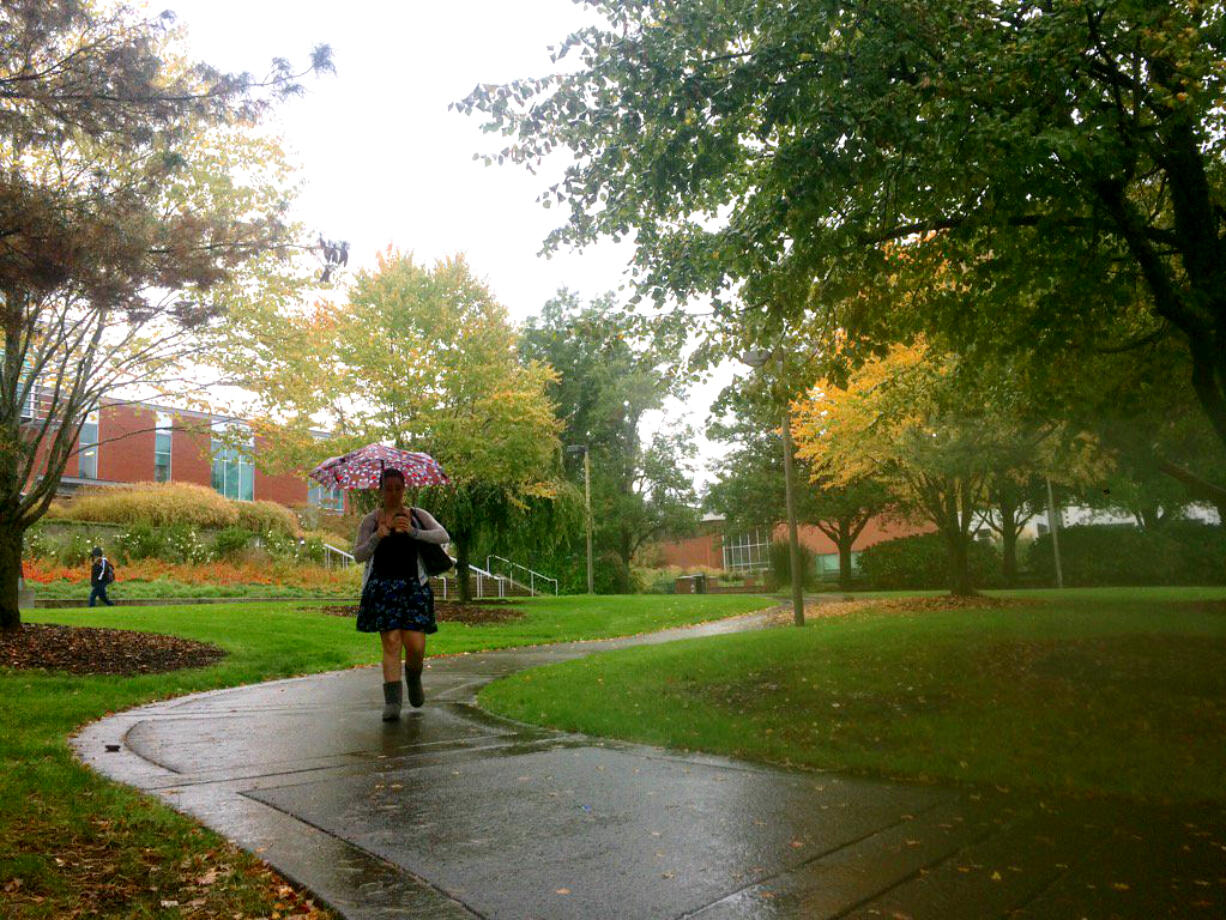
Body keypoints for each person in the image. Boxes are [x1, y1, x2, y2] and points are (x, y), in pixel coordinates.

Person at [352, 468, 450, 720]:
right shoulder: (371, 520)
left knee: (415, 645)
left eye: (398, 488)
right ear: (381, 490)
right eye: (388, 488)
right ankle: (392, 702)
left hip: (413, 587)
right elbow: (358, 554)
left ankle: (414, 677)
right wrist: (377, 537)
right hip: (383, 588)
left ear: (404, 489)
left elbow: (443, 535)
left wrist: (414, 532)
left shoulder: (417, 515)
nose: (393, 493)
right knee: (392, 642)